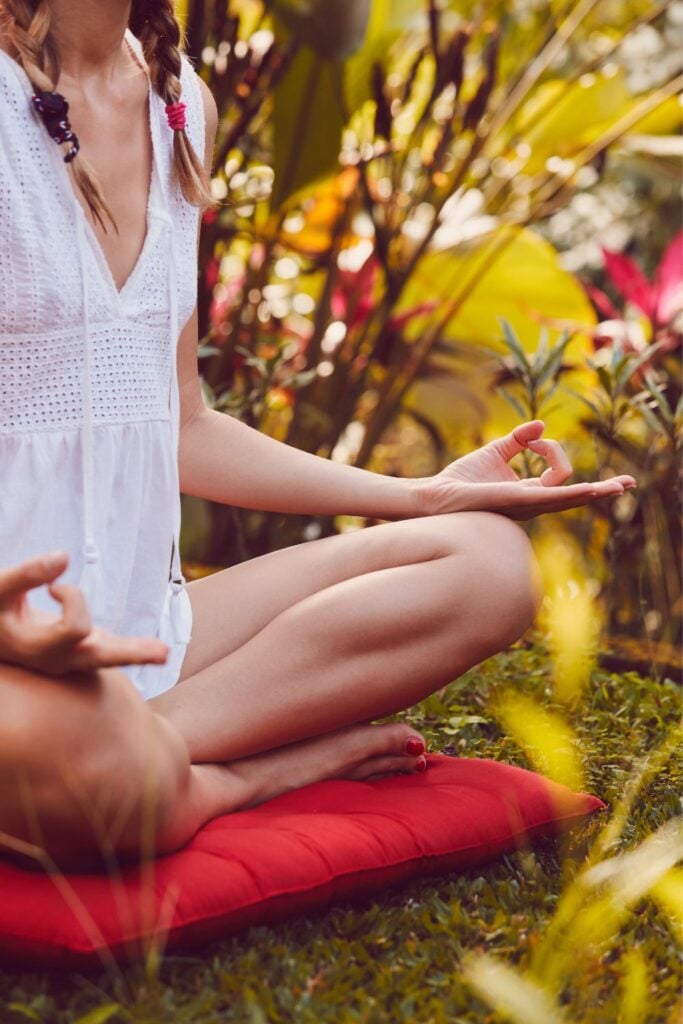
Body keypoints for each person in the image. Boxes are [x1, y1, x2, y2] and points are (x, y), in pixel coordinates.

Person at [0, 0, 635, 870]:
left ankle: (143, 755)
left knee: (485, 565)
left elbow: (179, 423)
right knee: (89, 771)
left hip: (150, 637)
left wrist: (422, 496)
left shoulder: (180, 103)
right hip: (11, 672)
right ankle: (235, 776)